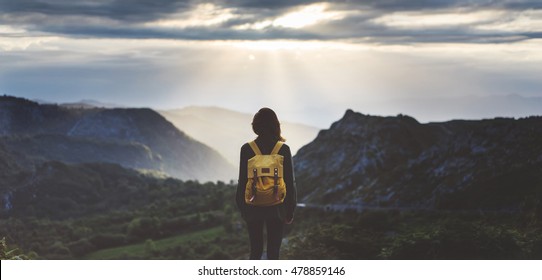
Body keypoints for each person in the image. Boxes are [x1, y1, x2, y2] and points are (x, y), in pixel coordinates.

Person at [236, 107, 297, 260]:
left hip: (252, 205)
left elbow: (242, 181)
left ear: (255, 126)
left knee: (255, 251)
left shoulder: (247, 149)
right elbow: (290, 182)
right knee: (273, 252)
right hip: (277, 206)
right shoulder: (283, 149)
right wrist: (290, 210)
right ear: (275, 125)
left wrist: (243, 209)